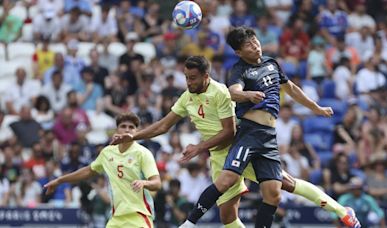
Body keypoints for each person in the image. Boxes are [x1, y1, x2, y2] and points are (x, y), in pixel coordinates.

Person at [111, 55, 360, 228]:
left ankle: (341, 211)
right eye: (186, 77)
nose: (189, 82)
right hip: (217, 155)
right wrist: (134, 135)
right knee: (228, 213)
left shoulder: (220, 92)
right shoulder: (187, 97)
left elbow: (229, 133)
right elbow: (164, 125)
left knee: (285, 183)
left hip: (239, 147)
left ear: (206, 76)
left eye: (193, 78)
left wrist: (199, 147)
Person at [44, 112, 161, 227]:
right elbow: (88, 171)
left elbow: (157, 183)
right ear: (117, 130)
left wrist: (144, 182)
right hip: (116, 219)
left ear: (137, 131)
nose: (127, 130)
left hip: (139, 217)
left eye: (131, 127)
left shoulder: (143, 153)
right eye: (123, 126)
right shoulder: (107, 152)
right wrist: (59, 180)